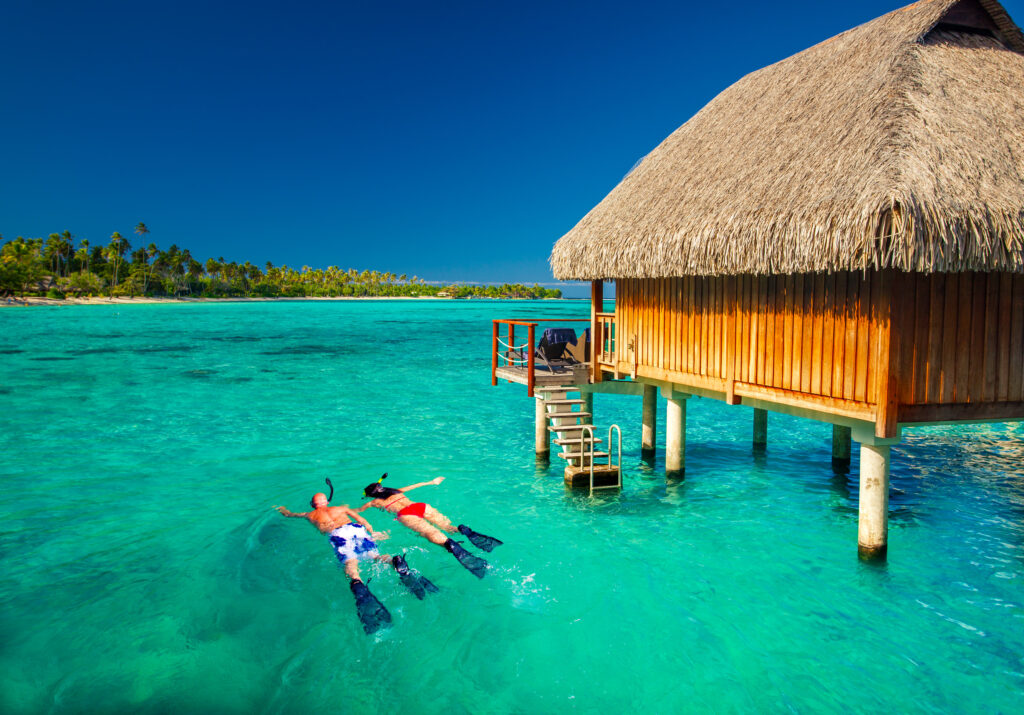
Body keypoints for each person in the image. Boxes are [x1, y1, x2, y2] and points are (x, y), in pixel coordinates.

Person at [274, 491, 437, 634]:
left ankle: (357, 583)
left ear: (312, 505)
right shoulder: (341, 508)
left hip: (339, 536)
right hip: (355, 529)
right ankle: (393, 562)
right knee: (375, 556)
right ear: (327, 502)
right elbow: (360, 518)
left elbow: (289, 514)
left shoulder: (309, 515)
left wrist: (282, 509)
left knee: (351, 564)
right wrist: (373, 532)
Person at [357, 474, 501, 579]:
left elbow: (358, 511)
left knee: (429, 533)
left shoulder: (374, 502)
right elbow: (416, 485)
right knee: (447, 526)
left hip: (405, 514)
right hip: (419, 506)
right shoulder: (397, 491)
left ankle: (449, 544)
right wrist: (433, 481)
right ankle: (461, 530)